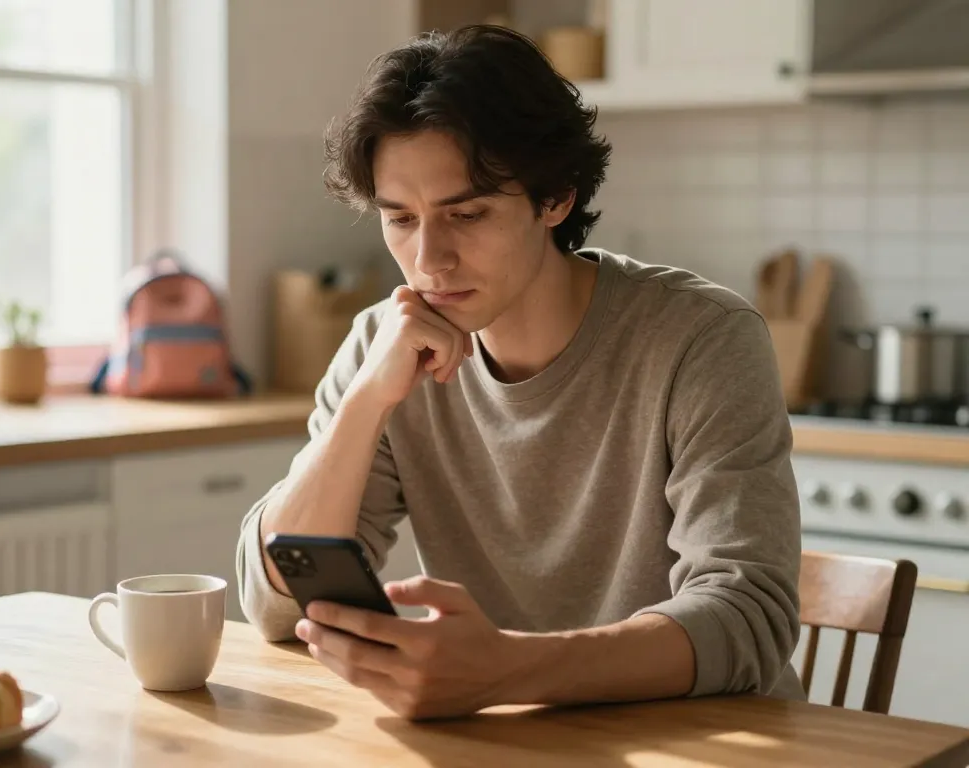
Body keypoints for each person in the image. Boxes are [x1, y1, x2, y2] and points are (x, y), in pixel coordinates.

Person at [236, 24, 805, 721]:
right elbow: (277, 603)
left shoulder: (701, 340)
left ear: (555, 197)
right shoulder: (381, 348)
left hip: (703, 743)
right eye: (400, 219)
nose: (429, 260)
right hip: (508, 739)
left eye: (466, 213)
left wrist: (508, 670)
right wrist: (364, 403)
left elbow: (748, 617)